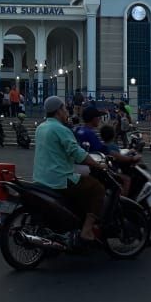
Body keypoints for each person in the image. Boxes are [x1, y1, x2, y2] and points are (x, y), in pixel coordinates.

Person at [33, 95, 106, 243]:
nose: (67, 112)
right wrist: (98, 165)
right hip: (60, 179)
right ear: (59, 111)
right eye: (65, 108)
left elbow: (58, 151)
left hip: (41, 178)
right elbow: (77, 153)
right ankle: (86, 229)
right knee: (97, 188)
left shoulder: (41, 127)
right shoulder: (61, 129)